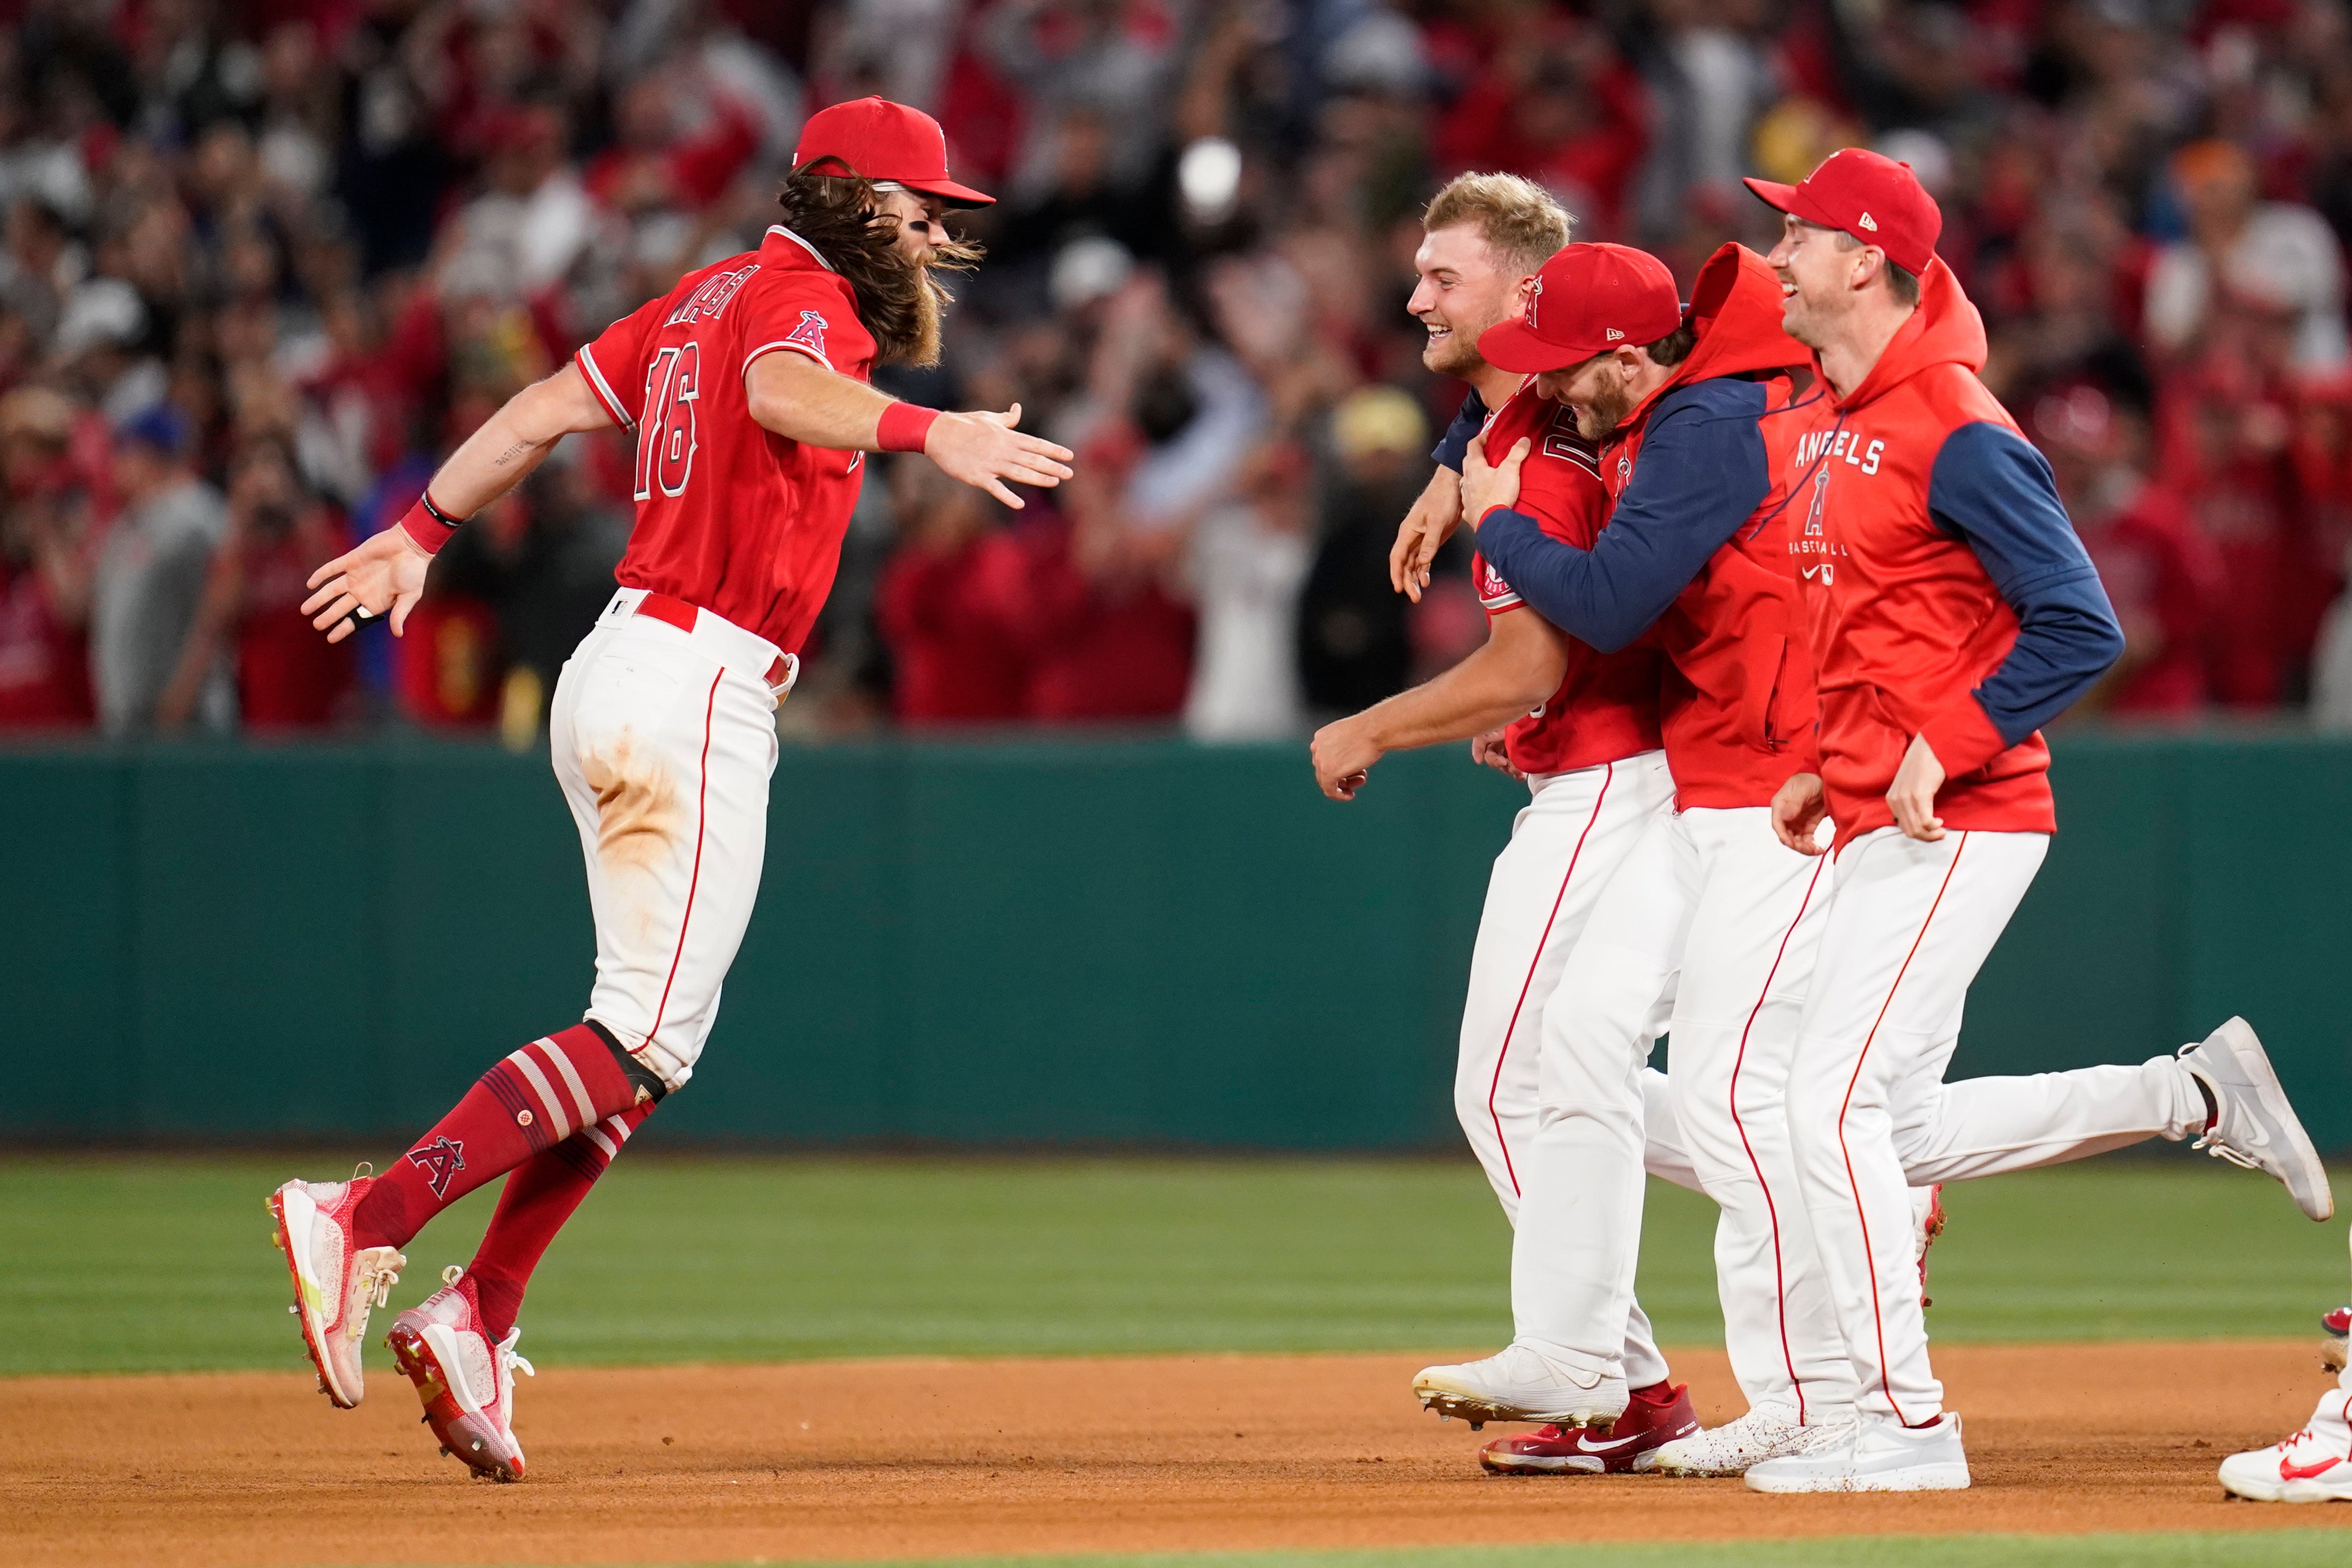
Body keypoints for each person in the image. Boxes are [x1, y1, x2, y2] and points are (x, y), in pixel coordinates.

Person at [266, 97, 1073, 1483]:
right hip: (693, 683)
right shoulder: (795, 297)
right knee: (638, 1034)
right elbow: (781, 392)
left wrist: (416, 532)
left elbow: (534, 412)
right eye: (917, 203)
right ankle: (371, 1217)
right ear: (837, 195)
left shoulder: (698, 294)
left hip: (630, 665)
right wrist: (929, 434)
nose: (939, 229)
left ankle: (480, 1313)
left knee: (648, 1038)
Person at [1737, 148, 2331, 1492]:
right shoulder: (1837, 412)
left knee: (1818, 1097)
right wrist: (1825, 769)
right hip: (1886, 809)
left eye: (1799, 236)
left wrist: (1939, 748)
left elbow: (2081, 623)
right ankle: (2183, 1092)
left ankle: (1899, 1426)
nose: (1776, 256)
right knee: (1877, 1121)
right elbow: (1886, 636)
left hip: (1970, 812)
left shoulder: (1953, 419)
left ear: (1865, 262)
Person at [1309, 171, 1704, 1474]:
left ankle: (1612, 1371)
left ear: (1532, 297)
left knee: (1506, 1087)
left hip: (1608, 782)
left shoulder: (1530, 447)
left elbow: (1529, 663)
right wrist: (1444, 465)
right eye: (1418, 271)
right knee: (1574, 1085)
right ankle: (1640, 1366)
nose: (1415, 293)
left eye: (1445, 275)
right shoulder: (1523, 416)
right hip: (1603, 771)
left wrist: (1371, 723)